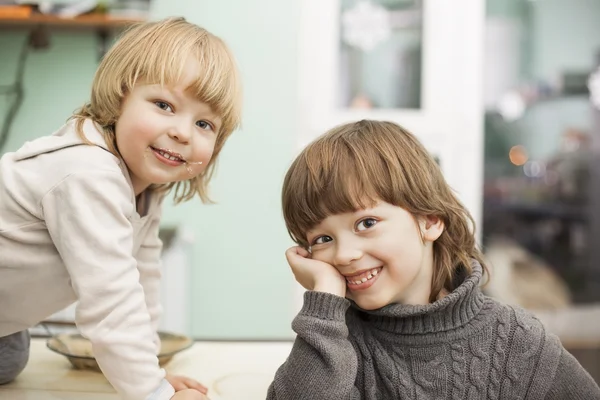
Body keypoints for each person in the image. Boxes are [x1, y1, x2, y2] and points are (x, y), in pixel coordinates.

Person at [267, 120, 600, 399]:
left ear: (430, 221)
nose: (344, 254)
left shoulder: (516, 340)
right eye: (322, 239)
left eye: (366, 223)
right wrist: (323, 298)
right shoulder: (333, 345)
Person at [0, 16, 242, 400]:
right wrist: (154, 393)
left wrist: (152, 373)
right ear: (120, 97)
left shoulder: (147, 189)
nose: (183, 132)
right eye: (164, 105)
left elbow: (141, 281)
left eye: (204, 124)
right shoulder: (88, 173)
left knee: (10, 362)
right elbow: (111, 302)